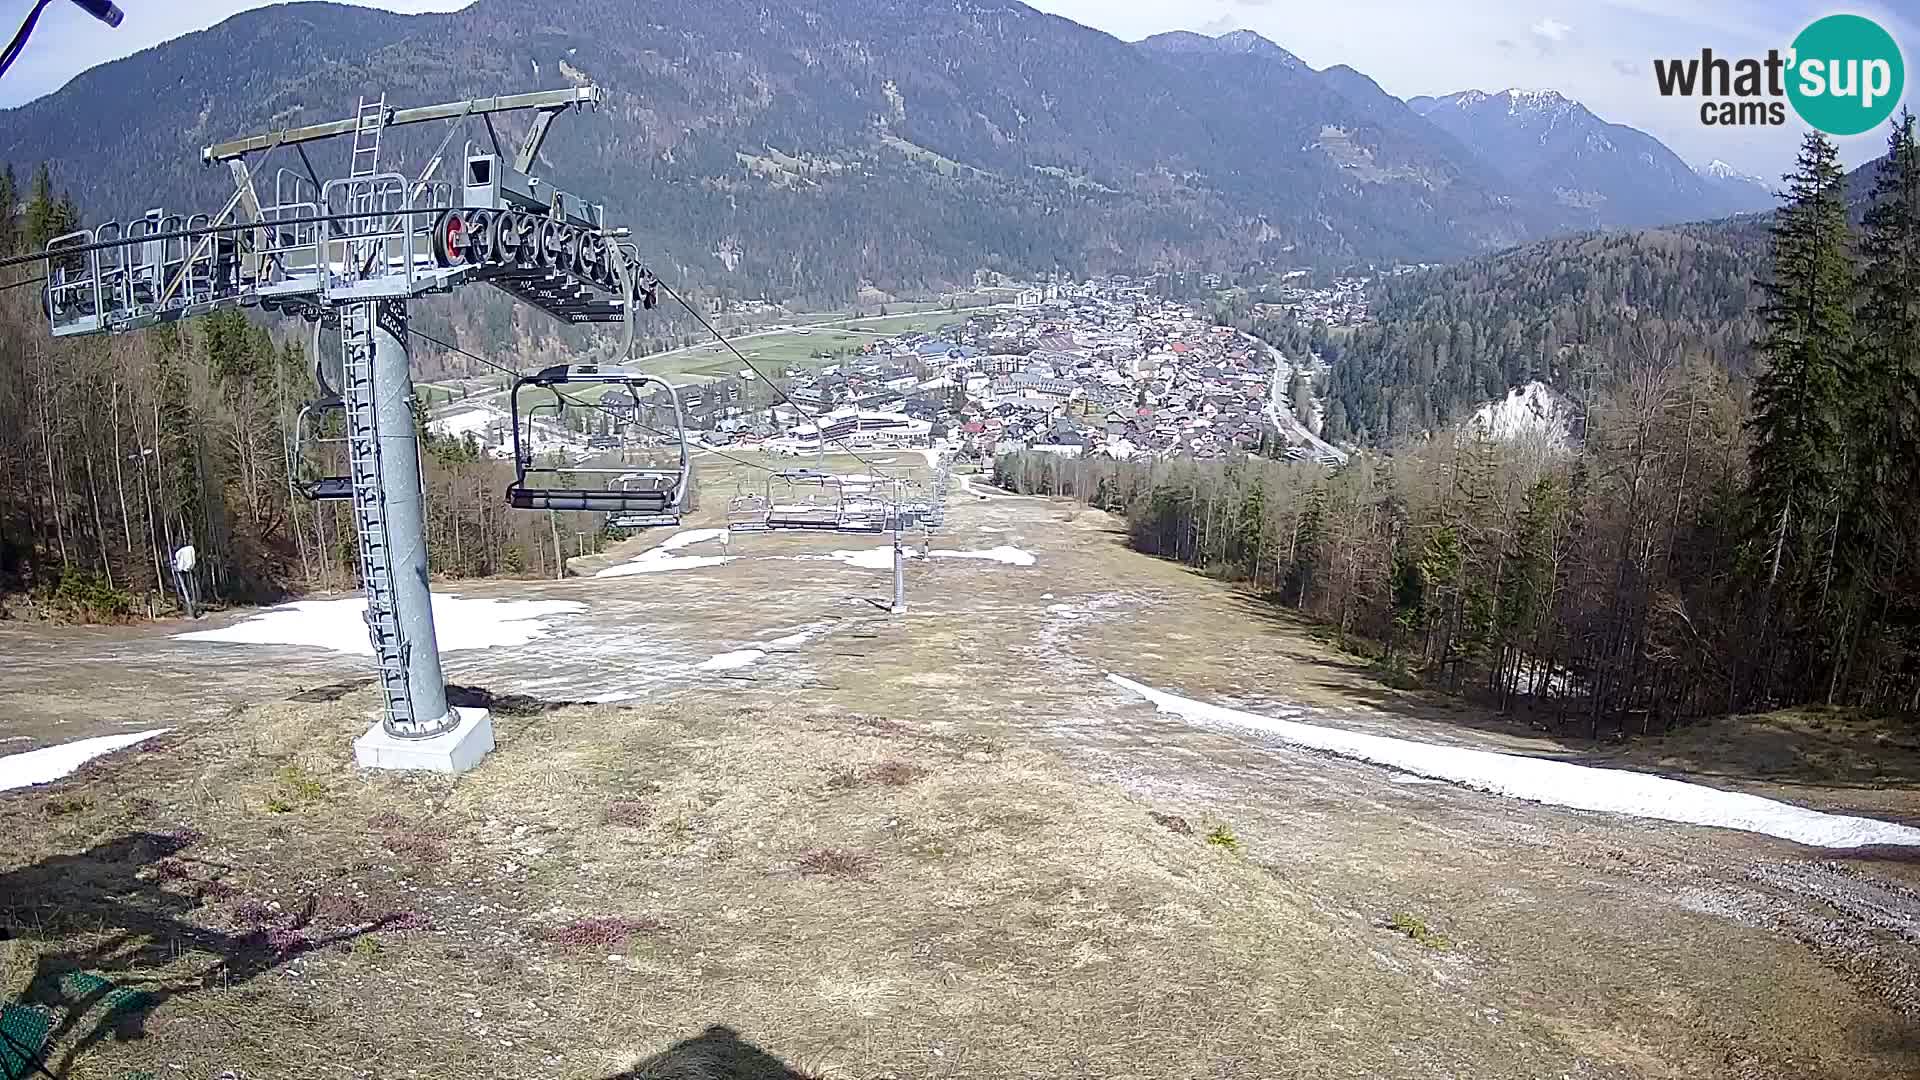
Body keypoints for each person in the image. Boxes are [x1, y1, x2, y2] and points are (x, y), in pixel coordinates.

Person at [171, 544, 198, 619]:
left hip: (186, 567)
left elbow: (182, 562)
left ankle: (190, 604)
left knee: (187, 586)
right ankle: (189, 602)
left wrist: (179, 568)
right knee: (188, 586)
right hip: (187, 567)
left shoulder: (180, 553)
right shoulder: (185, 551)